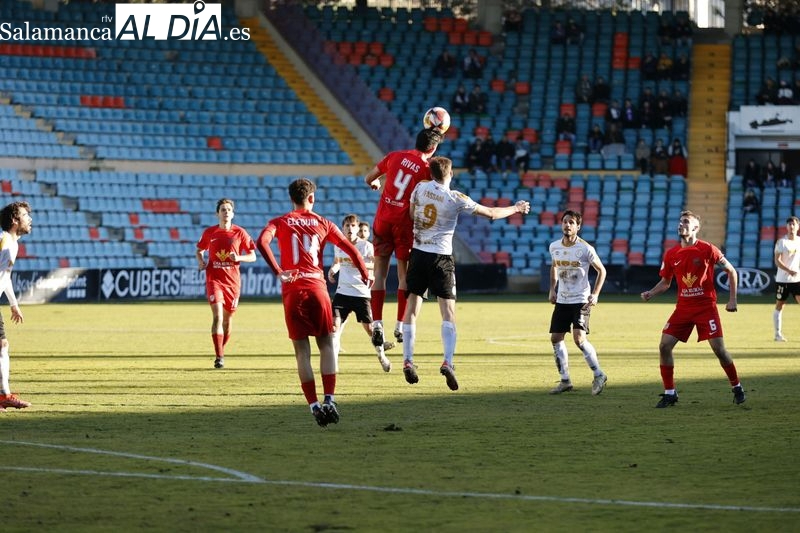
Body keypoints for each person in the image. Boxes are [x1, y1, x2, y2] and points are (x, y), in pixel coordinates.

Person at [400, 157, 531, 389]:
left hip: (419, 253)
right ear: (450, 174)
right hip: (441, 257)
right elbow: (490, 213)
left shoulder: (420, 188)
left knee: (412, 308)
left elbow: (411, 215)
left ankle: (408, 360)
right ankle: (448, 362)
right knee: (448, 311)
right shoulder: (456, 198)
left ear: (431, 173)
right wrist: (517, 208)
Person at [257, 178, 370, 427]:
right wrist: (364, 272)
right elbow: (350, 249)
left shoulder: (280, 222)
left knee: (302, 353)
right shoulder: (323, 223)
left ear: (291, 199)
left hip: (292, 289)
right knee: (327, 345)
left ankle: (314, 406)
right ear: (312, 198)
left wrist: (278, 270)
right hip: (316, 287)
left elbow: (261, 242)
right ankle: (329, 399)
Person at [640, 210, 746, 407]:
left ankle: (737, 386)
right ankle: (670, 393)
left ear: (696, 228)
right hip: (683, 308)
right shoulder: (671, 254)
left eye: (686, 222)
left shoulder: (708, 249)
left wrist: (733, 300)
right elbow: (665, 282)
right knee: (664, 346)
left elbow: (731, 271)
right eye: (680, 222)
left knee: (719, 350)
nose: (681, 225)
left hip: (706, 307)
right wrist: (650, 293)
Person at [364, 128, 443, 350]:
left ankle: (377, 323)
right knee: (403, 275)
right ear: (433, 148)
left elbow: (368, 178)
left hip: (382, 221)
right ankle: (400, 324)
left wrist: (376, 183)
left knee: (379, 272)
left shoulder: (394, 156)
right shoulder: (427, 170)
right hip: (404, 225)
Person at [547, 210, 608, 396]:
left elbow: (602, 271)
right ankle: (565, 380)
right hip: (563, 299)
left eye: (571, 222)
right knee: (556, 339)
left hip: (581, 299)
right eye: (565, 222)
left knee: (579, 339)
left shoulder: (585, 249)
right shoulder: (554, 247)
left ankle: (599, 375)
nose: (567, 225)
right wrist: (552, 289)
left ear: (578, 227)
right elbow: (554, 266)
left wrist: (595, 294)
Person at [327, 214, 394, 372]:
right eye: (347, 226)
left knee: (370, 329)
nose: (350, 229)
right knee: (334, 327)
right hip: (342, 293)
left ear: (357, 229)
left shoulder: (366, 246)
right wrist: (332, 270)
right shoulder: (339, 245)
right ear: (342, 228)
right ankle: (333, 365)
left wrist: (363, 268)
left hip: (361, 293)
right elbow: (338, 262)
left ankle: (382, 356)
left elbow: (377, 265)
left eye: (353, 226)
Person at [195, 198, 256, 369]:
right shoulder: (210, 233)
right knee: (218, 317)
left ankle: (220, 348)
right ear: (217, 213)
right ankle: (219, 356)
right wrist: (201, 261)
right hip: (214, 279)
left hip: (233, 283)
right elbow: (199, 250)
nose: (226, 212)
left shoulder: (240, 233)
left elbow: (253, 256)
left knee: (227, 322)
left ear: (233, 213)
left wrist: (240, 258)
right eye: (223, 209)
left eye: (229, 209)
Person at [0, 201, 32, 410]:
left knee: (2, 346)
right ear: (14, 220)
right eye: (24, 215)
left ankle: (4, 395)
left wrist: (13, 304)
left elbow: (5, 277)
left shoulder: (14, 243)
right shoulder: (3, 240)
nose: (29, 219)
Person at [773, 216, 800, 342]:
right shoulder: (781, 242)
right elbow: (777, 261)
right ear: (786, 227)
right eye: (789, 224)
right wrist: (789, 270)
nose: (791, 226)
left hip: (797, 280)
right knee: (780, 305)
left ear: (798, 226)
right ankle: (777, 334)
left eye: (793, 224)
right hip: (783, 280)